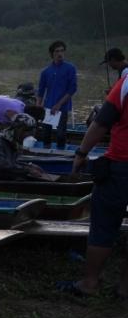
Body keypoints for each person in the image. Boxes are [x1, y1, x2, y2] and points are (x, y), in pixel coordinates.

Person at [58, 48, 128, 298]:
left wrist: (81, 153)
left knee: (103, 224)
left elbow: (101, 123)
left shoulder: (126, 82)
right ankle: (124, 288)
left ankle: (89, 283)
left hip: (121, 166)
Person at [0, 113, 50, 180]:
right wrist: (27, 170)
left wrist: (29, 166)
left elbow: (11, 163)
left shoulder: (14, 143)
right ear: (17, 130)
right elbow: (0, 166)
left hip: (3, 178)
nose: (29, 136)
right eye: (27, 132)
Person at [36, 40, 78, 148]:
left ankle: (61, 152)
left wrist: (59, 104)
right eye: (57, 51)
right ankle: (45, 153)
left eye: (62, 51)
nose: (60, 54)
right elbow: (41, 90)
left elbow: (72, 88)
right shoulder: (46, 71)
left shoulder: (70, 68)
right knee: (46, 134)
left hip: (62, 107)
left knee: (60, 134)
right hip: (48, 107)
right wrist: (38, 105)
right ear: (51, 54)